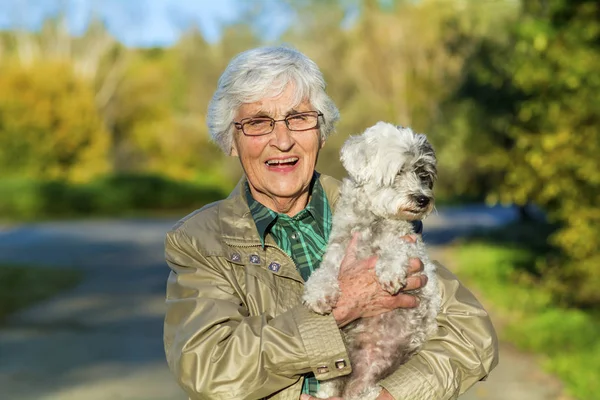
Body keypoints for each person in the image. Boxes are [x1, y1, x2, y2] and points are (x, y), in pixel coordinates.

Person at [164, 45, 498, 400]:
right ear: (231, 141)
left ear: (321, 132)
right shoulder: (199, 241)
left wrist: (391, 395)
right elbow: (211, 368)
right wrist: (340, 309)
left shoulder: (374, 207)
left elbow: (471, 333)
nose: (282, 140)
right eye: (258, 123)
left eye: (299, 119)